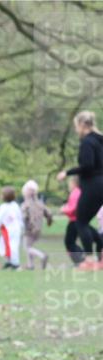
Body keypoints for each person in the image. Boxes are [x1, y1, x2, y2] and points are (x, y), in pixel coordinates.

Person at [56, 110, 103, 267]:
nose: (76, 130)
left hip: (93, 185)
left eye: (76, 126)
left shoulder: (87, 142)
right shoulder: (100, 140)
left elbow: (88, 166)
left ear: (83, 125)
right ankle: (101, 258)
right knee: (86, 221)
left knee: (81, 221)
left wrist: (67, 173)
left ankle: (89, 260)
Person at [0, 186, 23, 270]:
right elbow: (20, 217)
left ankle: (16, 264)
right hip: (16, 229)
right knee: (7, 245)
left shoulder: (4, 207)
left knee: (11, 246)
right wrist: (21, 225)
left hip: (8, 230)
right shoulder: (15, 205)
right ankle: (9, 261)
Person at [20, 180, 52, 270]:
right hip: (38, 229)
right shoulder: (40, 204)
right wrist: (49, 220)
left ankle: (42, 256)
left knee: (27, 248)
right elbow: (48, 213)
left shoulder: (25, 205)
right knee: (29, 246)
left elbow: (24, 217)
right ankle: (30, 265)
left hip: (29, 229)